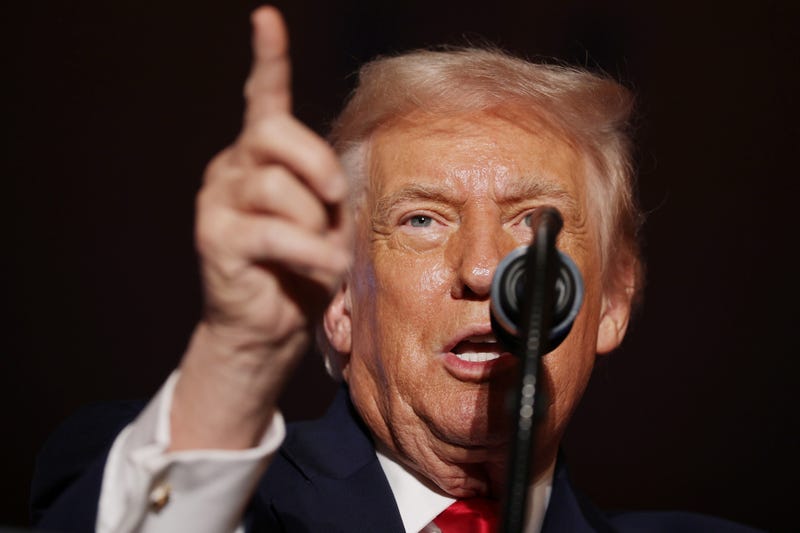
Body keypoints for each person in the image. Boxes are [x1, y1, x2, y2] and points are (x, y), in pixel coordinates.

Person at [30, 6, 759, 533]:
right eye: (422, 220)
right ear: (340, 299)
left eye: (534, 223)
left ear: (613, 299)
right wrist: (237, 359)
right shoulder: (222, 496)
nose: (483, 269)